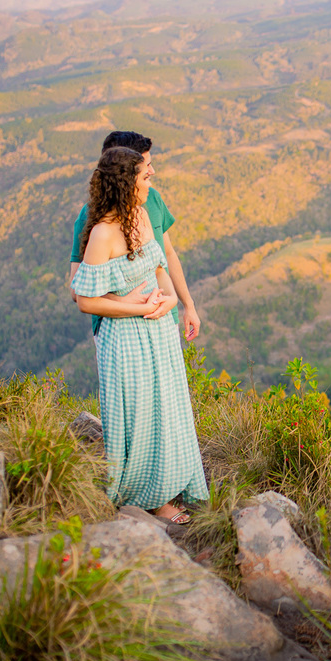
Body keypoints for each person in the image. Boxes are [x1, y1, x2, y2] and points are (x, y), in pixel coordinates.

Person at [69, 147, 207, 522]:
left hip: (159, 331)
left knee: (167, 410)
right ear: (127, 182)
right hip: (125, 340)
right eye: (147, 174)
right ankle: (148, 500)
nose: (153, 178)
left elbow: (159, 266)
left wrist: (169, 300)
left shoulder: (143, 216)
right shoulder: (101, 234)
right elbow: (84, 299)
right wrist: (138, 308)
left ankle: (167, 485)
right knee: (140, 417)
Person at [69, 131, 200, 342]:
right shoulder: (92, 218)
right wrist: (125, 302)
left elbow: (167, 254)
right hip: (120, 329)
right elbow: (79, 289)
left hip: (163, 317)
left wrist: (187, 305)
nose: (152, 172)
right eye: (146, 166)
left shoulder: (152, 200)